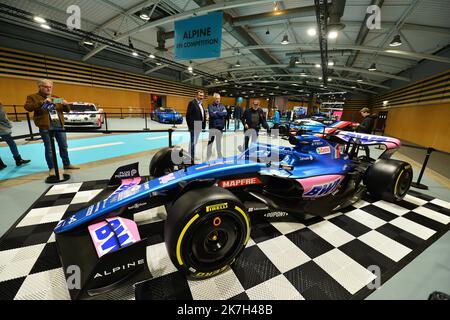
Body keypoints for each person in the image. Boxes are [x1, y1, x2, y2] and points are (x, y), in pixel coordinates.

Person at [24, 79, 79, 176]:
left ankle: (67, 164)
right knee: (49, 148)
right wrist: (42, 102)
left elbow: (66, 110)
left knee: (64, 146)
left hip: (59, 125)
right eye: (46, 87)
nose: (49, 89)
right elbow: (28, 107)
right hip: (46, 126)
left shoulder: (56, 98)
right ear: (40, 87)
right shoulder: (33, 97)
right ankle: (52, 168)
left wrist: (66, 105)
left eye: (50, 87)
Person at [0, 103, 30, 170]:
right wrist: (9, 125)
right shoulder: (0, 107)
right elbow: (3, 118)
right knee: (11, 143)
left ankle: (0, 164)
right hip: (2, 129)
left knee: (11, 143)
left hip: (2, 128)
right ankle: (18, 160)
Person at [186, 90, 206, 162]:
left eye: (202, 96)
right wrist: (190, 127)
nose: (201, 97)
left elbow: (201, 115)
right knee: (192, 142)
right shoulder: (192, 103)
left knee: (194, 142)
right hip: (193, 126)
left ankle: (191, 155)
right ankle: (191, 157)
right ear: (196, 95)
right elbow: (188, 116)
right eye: (200, 95)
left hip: (199, 125)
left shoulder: (201, 104)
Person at [206, 93, 227, 160]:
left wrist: (217, 112)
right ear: (214, 99)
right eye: (216, 98)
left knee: (218, 142)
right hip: (213, 127)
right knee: (210, 142)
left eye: (219, 98)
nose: (218, 100)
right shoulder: (210, 106)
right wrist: (220, 113)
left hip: (220, 127)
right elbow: (212, 115)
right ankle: (208, 155)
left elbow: (225, 113)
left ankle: (219, 155)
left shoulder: (222, 105)